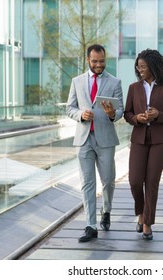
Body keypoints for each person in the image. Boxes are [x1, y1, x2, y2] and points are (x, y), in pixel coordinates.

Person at [66, 44, 124, 242]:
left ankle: (106, 210)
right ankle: (90, 225)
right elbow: (69, 108)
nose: (99, 64)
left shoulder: (115, 82)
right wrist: (81, 114)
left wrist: (111, 114)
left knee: (108, 180)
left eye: (102, 61)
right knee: (87, 183)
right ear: (88, 60)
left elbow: (120, 111)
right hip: (83, 139)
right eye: (95, 61)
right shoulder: (77, 81)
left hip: (106, 139)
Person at [124, 49, 163, 240]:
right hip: (139, 138)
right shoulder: (133, 88)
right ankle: (141, 212)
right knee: (135, 181)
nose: (140, 70)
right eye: (138, 67)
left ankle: (147, 222)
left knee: (152, 181)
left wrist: (158, 115)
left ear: (154, 67)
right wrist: (136, 118)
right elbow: (127, 114)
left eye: (143, 67)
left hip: (161, 141)